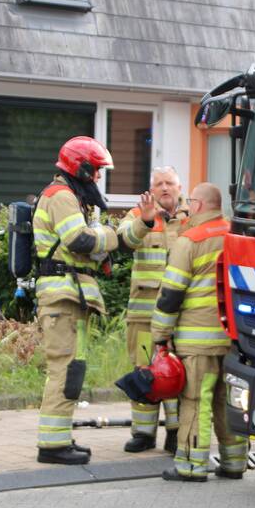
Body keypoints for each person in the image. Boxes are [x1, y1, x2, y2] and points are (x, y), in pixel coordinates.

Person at [151, 182, 247, 482]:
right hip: (233, 340)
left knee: (195, 401)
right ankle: (234, 463)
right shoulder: (237, 236)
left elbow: (171, 294)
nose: (187, 207)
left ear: (200, 205)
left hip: (197, 341)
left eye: (190, 201)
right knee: (227, 400)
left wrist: (159, 335)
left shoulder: (189, 240)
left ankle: (191, 465)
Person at [34, 136, 119, 465]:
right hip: (61, 296)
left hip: (73, 296)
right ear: (80, 168)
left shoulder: (73, 197)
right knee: (63, 369)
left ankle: (59, 437)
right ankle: (51, 446)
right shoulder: (61, 196)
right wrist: (112, 236)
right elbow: (79, 240)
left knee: (73, 369)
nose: (97, 177)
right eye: (95, 170)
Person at [117, 166, 190, 453]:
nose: (164, 188)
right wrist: (143, 223)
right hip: (143, 313)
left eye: (169, 182)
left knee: (177, 373)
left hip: (181, 315)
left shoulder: (191, 220)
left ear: (179, 187)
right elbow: (123, 241)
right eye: (158, 183)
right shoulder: (140, 215)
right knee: (145, 371)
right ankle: (144, 434)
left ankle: (175, 433)